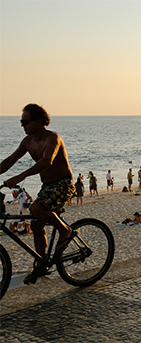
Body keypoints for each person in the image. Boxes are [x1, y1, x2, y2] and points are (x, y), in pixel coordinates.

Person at [1, 104, 78, 284]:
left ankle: (65, 230)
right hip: (47, 187)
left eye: (26, 122)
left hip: (63, 184)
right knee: (36, 226)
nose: (23, 126)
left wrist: (21, 176)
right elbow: (10, 160)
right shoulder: (28, 141)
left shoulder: (53, 138)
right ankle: (42, 265)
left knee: (35, 208)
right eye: (21, 122)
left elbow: (46, 161)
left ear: (38, 121)